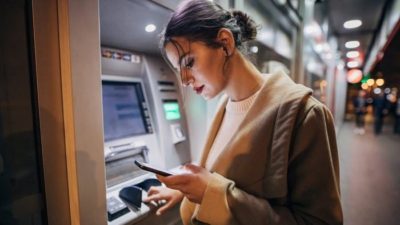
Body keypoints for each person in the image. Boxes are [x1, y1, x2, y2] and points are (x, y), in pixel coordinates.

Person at [144, 1, 343, 224]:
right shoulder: (224, 106)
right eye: (177, 70)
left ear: (225, 43)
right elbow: (223, 175)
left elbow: (318, 220)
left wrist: (212, 195)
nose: (184, 80)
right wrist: (186, 192)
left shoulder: (305, 114)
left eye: (188, 62)